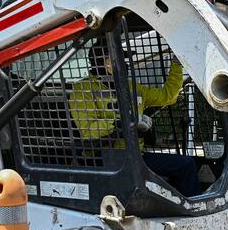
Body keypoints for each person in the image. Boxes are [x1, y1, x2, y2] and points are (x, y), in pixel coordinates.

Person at [70, 40, 201, 197]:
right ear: (99, 62)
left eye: (122, 59)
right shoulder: (82, 90)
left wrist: (177, 64)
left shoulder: (132, 87)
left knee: (186, 164)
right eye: (115, 60)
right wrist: (122, 124)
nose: (122, 64)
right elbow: (88, 131)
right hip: (105, 159)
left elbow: (168, 96)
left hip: (136, 156)